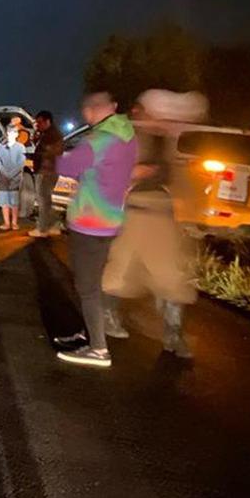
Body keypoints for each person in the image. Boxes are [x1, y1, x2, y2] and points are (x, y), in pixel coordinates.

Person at [101, 89, 208, 359]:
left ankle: (173, 333)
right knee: (120, 270)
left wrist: (193, 217)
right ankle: (107, 317)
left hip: (163, 215)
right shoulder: (132, 137)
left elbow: (183, 181)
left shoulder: (170, 142)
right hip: (135, 211)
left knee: (171, 276)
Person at [53, 91, 138, 368]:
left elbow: (65, 166)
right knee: (94, 284)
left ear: (91, 111)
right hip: (111, 219)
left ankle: (98, 350)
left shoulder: (98, 140)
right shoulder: (127, 137)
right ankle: (90, 333)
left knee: (87, 287)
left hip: (90, 222)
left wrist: (58, 154)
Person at [30, 110, 65, 237]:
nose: (37, 125)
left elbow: (51, 153)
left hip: (47, 171)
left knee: (43, 200)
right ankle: (53, 226)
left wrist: (35, 155)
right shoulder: (47, 134)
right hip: (48, 170)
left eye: (39, 122)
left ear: (47, 121)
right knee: (46, 200)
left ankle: (42, 229)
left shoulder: (52, 135)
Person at [0, 126, 25, 230]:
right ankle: (6, 223)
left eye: (13, 132)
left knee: (14, 202)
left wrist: (12, 174)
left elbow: (21, 163)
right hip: (3, 178)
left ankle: (14, 223)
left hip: (15, 179)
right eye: (9, 132)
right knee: (4, 202)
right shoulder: (0, 147)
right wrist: (5, 173)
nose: (10, 134)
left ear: (16, 134)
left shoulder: (20, 147)